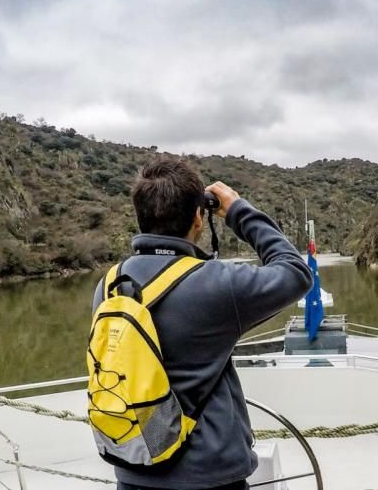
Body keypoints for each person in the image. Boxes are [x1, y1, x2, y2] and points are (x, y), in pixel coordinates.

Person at [91, 157, 313, 490]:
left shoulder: (109, 284)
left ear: (140, 216)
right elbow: (295, 272)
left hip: (134, 468)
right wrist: (238, 210)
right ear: (199, 215)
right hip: (210, 478)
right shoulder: (217, 284)